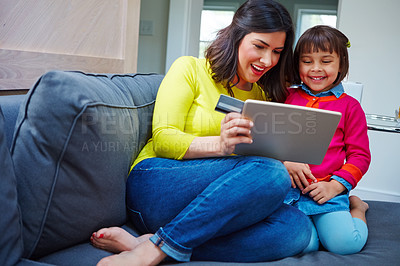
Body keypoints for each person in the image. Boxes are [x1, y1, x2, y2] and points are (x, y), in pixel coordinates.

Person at [91, 0, 313, 265]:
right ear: (237, 36)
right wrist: (221, 145)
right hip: (156, 183)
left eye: (277, 51)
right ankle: (151, 251)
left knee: (297, 228)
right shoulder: (190, 68)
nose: (268, 60)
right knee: (272, 172)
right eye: (260, 46)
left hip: (211, 204)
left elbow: (252, 163)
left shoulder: (260, 96)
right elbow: (163, 139)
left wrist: (283, 156)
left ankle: (156, 242)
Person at [283, 25, 371, 255]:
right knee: (305, 245)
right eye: (307, 61)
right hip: (286, 194)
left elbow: (360, 156)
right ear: (297, 63)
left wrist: (335, 186)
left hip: (327, 193)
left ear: (341, 62)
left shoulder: (350, 107)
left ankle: (357, 207)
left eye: (326, 61)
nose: (316, 69)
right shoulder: (285, 97)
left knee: (346, 244)